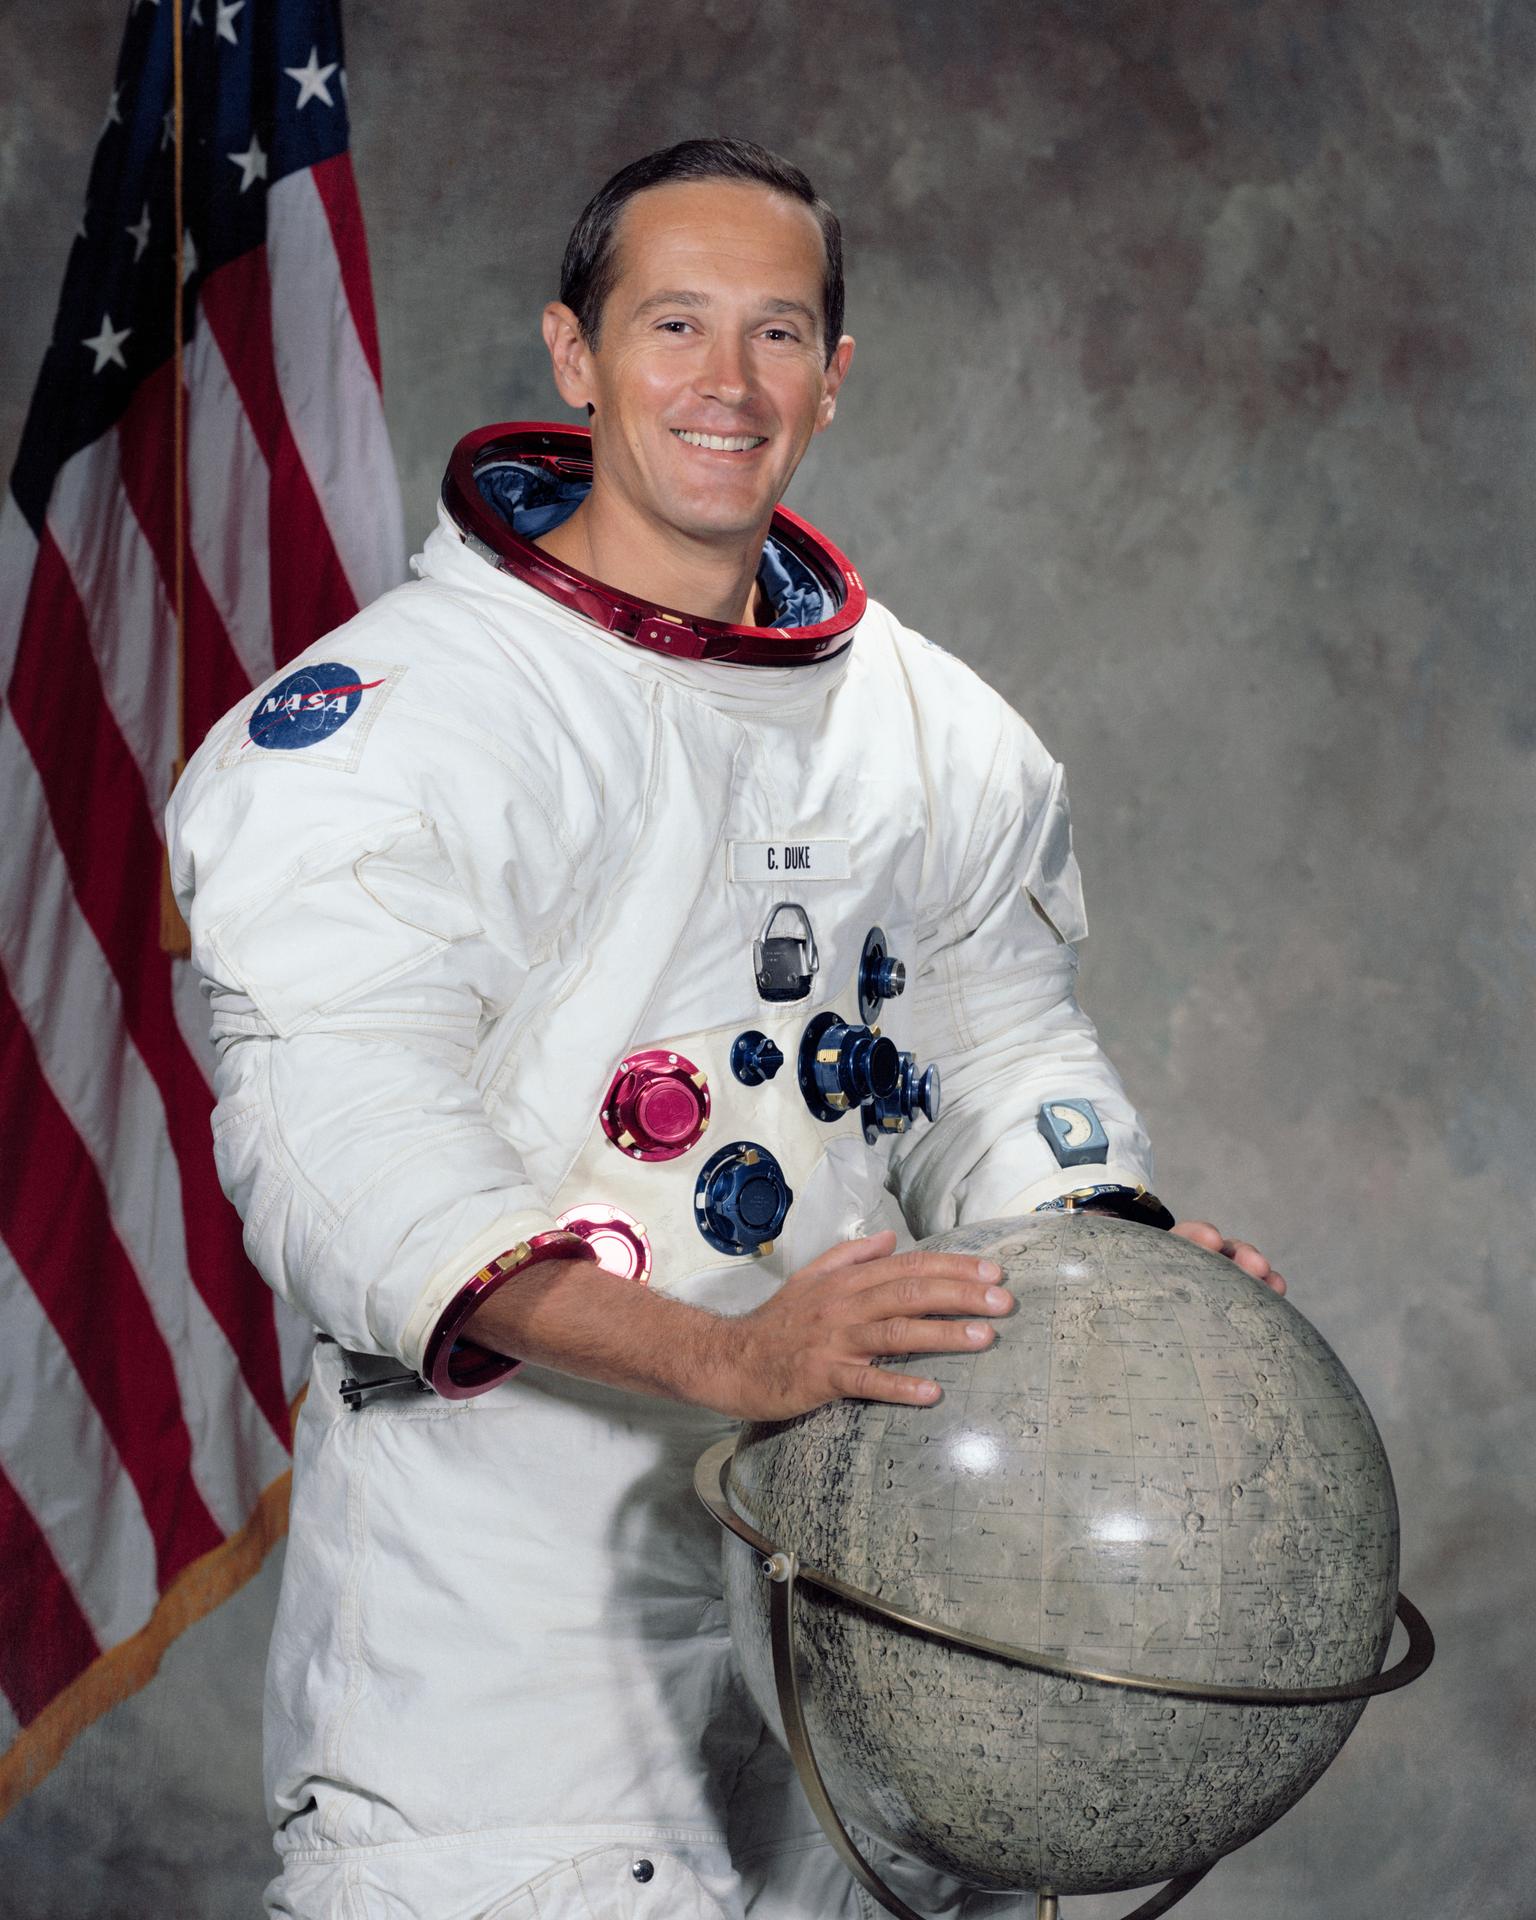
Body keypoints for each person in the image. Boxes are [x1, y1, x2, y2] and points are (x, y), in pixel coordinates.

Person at [169, 138, 1283, 1920]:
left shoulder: (932, 730)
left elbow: (1001, 1056)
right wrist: (735, 1359)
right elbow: (352, 1167)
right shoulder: (391, 726)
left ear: (833, 381)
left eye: (778, 335)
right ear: (573, 354)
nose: (727, 382)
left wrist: (1099, 1264)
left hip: (874, 1623)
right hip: (510, 1667)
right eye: (673, 323)